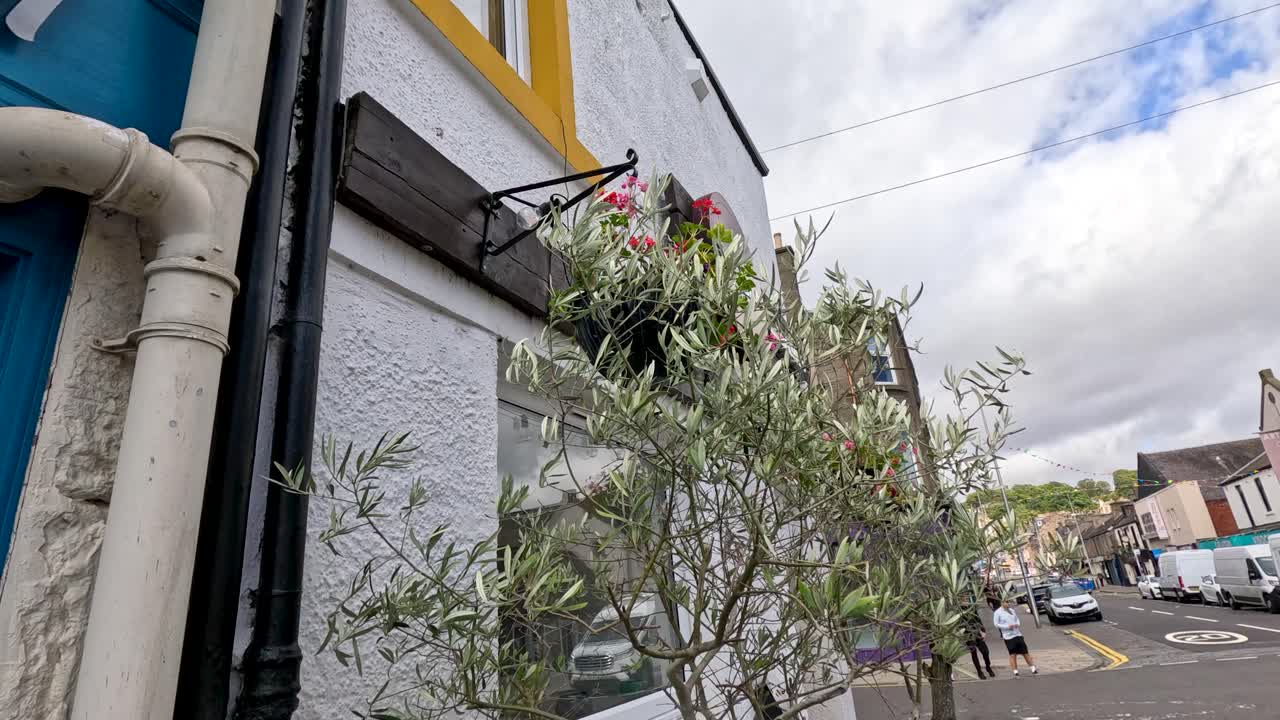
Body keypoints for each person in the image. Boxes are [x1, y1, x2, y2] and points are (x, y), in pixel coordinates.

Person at [992, 597, 1037, 677]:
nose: (1008, 603)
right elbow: (996, 624)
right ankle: (1015, 670)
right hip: (1008, 636)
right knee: (1013, 654)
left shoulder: (1012, 610)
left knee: (1025, 652)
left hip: (1017, 634)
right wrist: (1007, 626)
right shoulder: (997, 612)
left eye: (1009, 602)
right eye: (1007, 602)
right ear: (1002, 603)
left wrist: (1017, 624)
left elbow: (1017, 620)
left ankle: (1032, 667)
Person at [964, 606, 996, 679]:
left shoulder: (971, 608)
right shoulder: (959, 611)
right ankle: (979, 671)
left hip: (977, 632)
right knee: (974, 653)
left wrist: (983, 630)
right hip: (968, 635)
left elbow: (978, 619)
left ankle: (988, 667)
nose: (964, 599)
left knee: (985, 651)